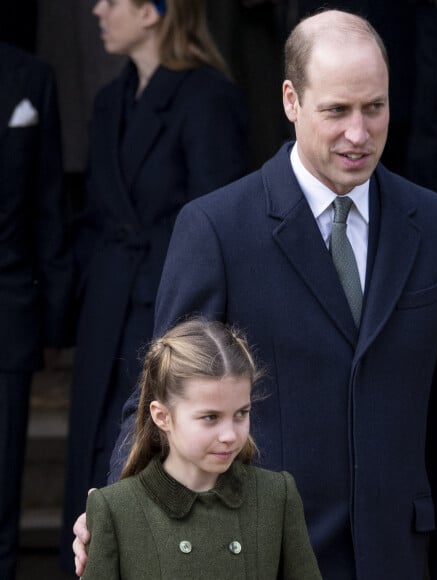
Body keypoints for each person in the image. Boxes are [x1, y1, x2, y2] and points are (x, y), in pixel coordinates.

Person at [74, 9, 437, 579]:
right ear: (291, 101)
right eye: (337, 110)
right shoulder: (216, 228)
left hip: (401, 556)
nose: (359, 134)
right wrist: (116, 514)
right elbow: (159, 401)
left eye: (375, 107)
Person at [61, 0, 248, 569]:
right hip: (106, 310)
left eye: (113, 1)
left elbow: (221, 225)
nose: (98, 10)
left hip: (167, 313)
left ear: (152, 12)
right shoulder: (110, 100)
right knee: (90, 466)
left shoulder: (208, 98)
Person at [81, 318, 322, 579]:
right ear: (162, 417)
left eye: (241, 413)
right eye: (210, 417)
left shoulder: (275, 496)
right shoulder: (116, 508)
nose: (230, 435)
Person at [0, 42, 73, 579]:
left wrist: (56, 318)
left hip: (9, 313)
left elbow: (49, 204)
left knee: (2, 494)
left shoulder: (31, 77)